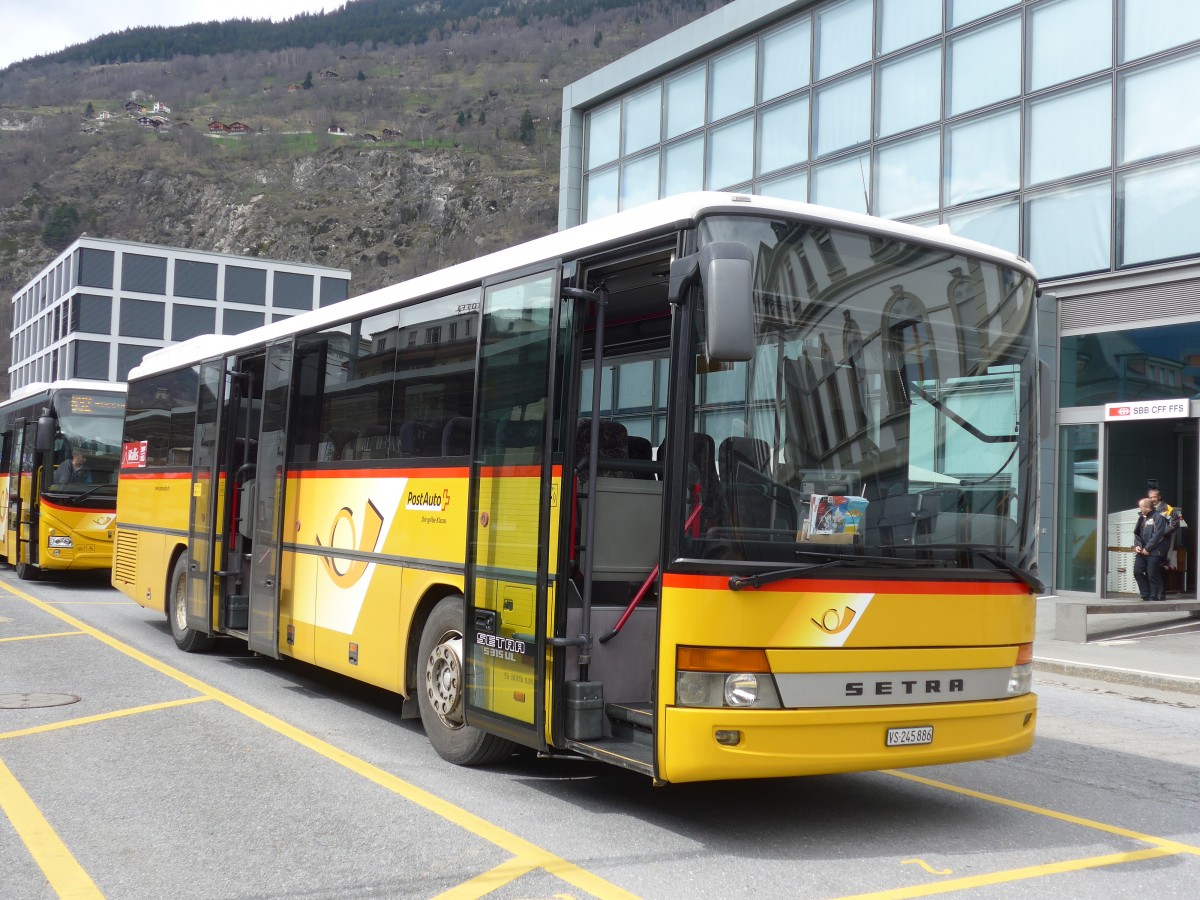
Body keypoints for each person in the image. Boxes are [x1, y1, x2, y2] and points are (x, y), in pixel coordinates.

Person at [1133, 497, 1169, 601]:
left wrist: (1148, 548)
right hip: (1142, 551)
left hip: (1155, 551)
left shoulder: (1158, 517)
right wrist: (1137, 545)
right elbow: (1137, 534)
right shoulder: (1142, 518)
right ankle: (1146, 594)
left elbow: (1158, 535)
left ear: (1148, 507)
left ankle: (1155, 596)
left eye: (1141, 507)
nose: (1140, 509)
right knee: (1137, 571)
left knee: (1152, 573)